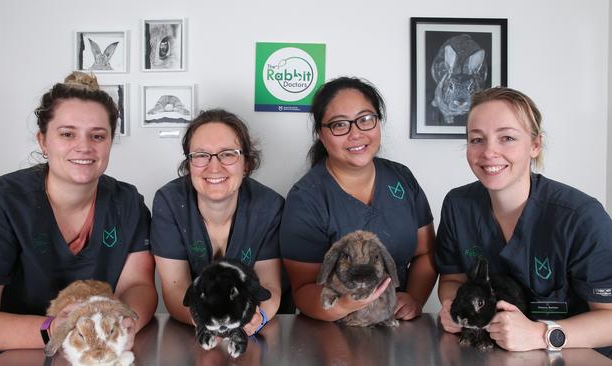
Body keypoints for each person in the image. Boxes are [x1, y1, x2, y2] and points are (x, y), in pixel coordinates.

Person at [0, 72, 157, 364]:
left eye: (98, 135)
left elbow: (137, 285)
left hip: (93, 356)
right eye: (67, 134)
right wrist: (55, 329)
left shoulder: (128, 203)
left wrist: (126, 320)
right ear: (43, 141)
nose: (85, 146)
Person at [436, 86, 612, 356]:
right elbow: (452, 278)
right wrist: (451, 306)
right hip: (490, 353)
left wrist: (541, 334)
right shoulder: (458, 206)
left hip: (574, 355)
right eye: (477, 139)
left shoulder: (580, 217)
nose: (489, 152)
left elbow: (609, 318)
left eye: (507, 137)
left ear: (535, 145)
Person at [280, 76, 437, 322]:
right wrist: (345, 306)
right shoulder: (306, 199)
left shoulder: (401, 178)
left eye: (365, 119)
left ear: (378, 122)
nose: (355, 133)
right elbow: (302, 291)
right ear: (321, 134)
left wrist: (414, 298)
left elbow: (425, 253)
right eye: (339, 125)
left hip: (396, 324)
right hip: (332, 331)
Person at [151, 109, 283, 336]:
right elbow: (175, 288)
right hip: (196, 331)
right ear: (189, 163)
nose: (214, 167)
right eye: (201, 155)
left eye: (228, 154)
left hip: (259, 332)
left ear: (247, 163)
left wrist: (255, 320)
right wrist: (206, 322)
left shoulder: (269, 206)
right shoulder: (169, 202)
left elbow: (269, 286)